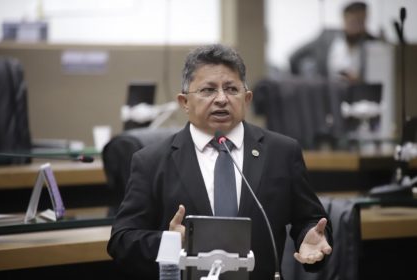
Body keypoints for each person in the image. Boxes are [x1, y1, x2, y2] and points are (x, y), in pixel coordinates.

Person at [107, 44, 333, 279]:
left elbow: (310, 219)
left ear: (246, 99)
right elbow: (122, 241)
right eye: (208, 90)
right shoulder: (151, 161)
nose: (222, 99)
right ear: (184, 102)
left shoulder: (281, 152)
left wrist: (312, 237)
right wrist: (169, 243)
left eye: (231, 89)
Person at [289, 1, 378, 83]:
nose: (358, 27)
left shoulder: (374, 44)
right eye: (354, 21)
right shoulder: (326, 38)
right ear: (345, 19)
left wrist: (359, 79)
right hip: (328, 94)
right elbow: (294, 57)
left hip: (359, 95)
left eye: (361, 22)